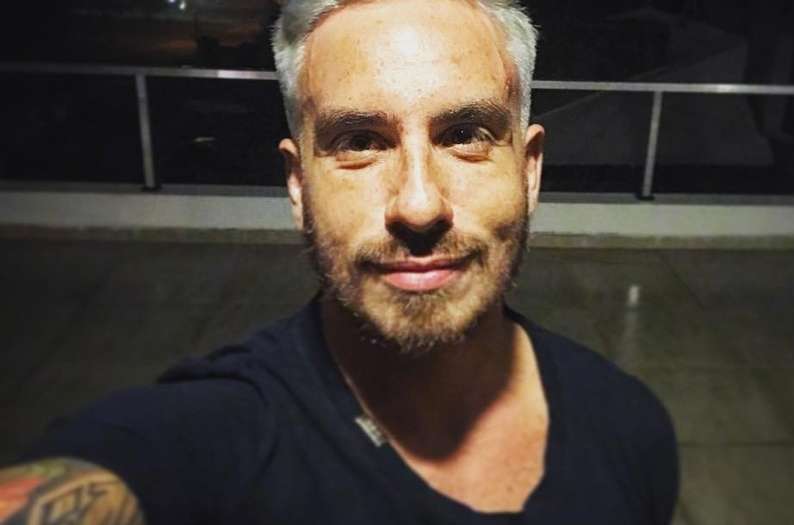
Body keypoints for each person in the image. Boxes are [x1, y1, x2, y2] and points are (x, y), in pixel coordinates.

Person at [0, 0, 679, 523]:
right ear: (298, 185)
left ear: (528, 171)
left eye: (465, 134)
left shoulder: (628, 427)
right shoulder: (214, 435)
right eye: (359, 142)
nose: (418, 204)